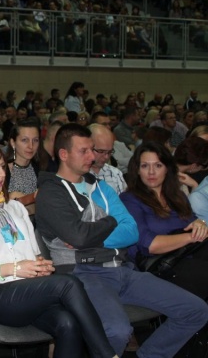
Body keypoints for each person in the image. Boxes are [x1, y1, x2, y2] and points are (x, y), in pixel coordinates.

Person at [35, 123, 208, 357]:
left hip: (122, 268)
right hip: (83, 273)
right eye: (84, 151)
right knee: (117, 331)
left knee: (196, 310)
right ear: (64, 154)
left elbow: (131, 232)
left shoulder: (101, 187)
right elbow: (79, 236)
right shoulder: (51, 193)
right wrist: (110, 222)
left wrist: (89, 233)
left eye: (92, 149)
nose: (92, 156)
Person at [0, 143, 118, 358]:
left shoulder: (15, 208)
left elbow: (35, 255)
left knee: (68, 323)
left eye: (2, 167)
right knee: (68, 283)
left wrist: (41, 266)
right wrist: (14, 268)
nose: (2, 174)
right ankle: (107, 354)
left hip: (28, 291)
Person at [120, 141, 208, 300]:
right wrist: (191, 236)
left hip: (187, 255)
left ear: (167, 168)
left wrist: (199, 224)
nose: (151, 172)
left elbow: (193, 222)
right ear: (137, 170)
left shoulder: (177, 196)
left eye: (158, 165)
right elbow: (149, 245)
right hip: (158, 266)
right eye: (145, 166)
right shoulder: (129, 200)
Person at [5, 119, 40, 207]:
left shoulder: (41, 168)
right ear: (13, 142)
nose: (31, 146)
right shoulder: (2, 170)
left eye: (35, 140)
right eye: (25, 140)